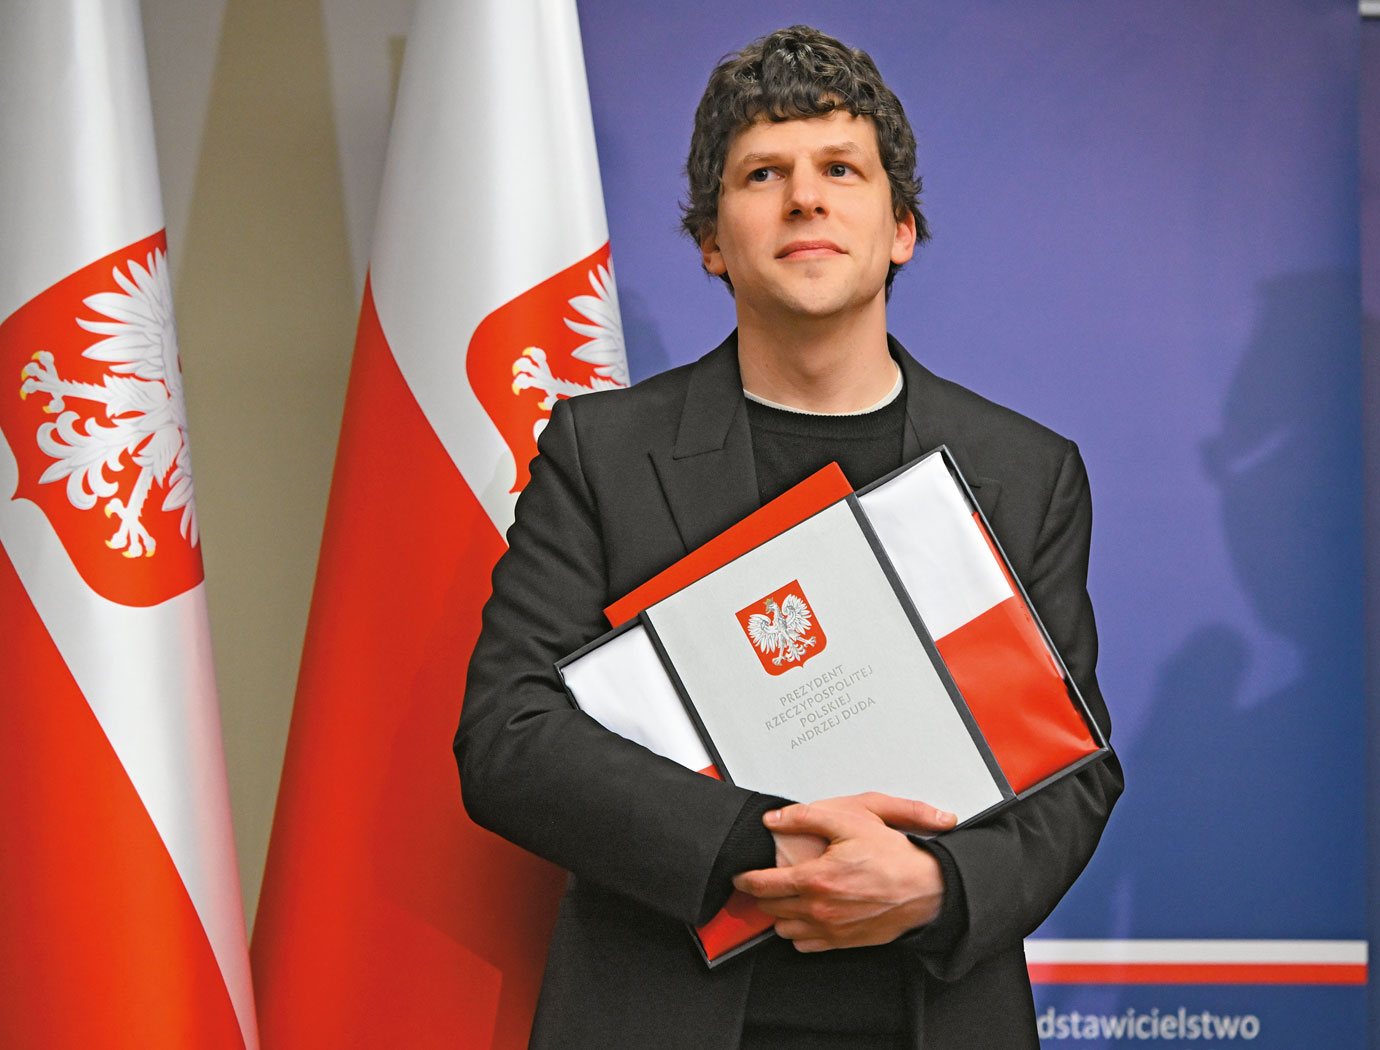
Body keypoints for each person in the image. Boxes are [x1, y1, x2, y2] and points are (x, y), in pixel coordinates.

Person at [457, 24, 1122, 1050]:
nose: (805, 198)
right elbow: (509, 735)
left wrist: (936, 886)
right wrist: (757, 843)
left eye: (840, 169)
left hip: (930, 1016)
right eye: (763, 173)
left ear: (900, 229)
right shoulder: (601, 453)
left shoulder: (1024, 471)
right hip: (657, 1014)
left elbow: (1073, 772)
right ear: (712, 243)